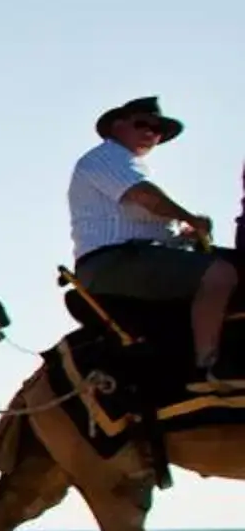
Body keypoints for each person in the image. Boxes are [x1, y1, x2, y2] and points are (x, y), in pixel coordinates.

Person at [69, 96, 233, 382]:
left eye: (157, 130)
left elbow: (147, 224)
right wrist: (190, 218)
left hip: (136, 258)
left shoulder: (129, 167)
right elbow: (146, 198)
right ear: (117, 126)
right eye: (142, 123)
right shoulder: (106, 158)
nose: (150, 132)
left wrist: (185, 237)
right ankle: (209, 369)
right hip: (111, 263)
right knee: (220, 273)